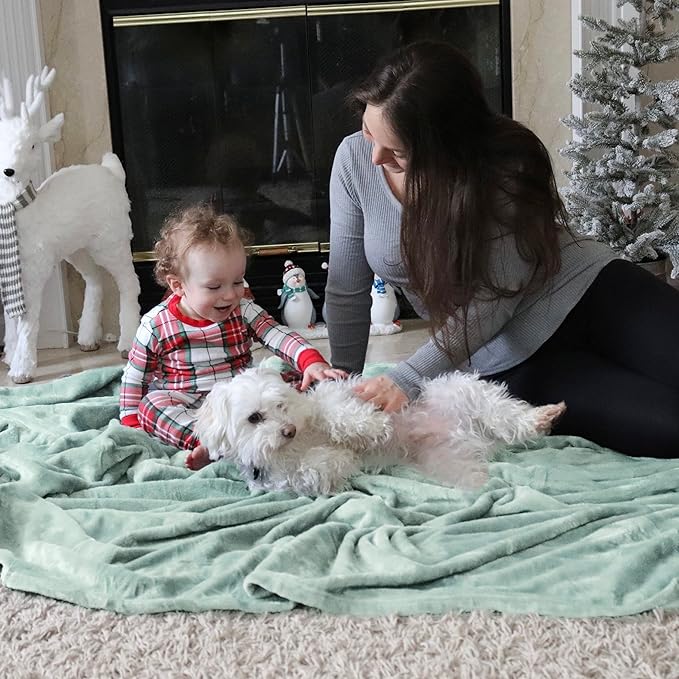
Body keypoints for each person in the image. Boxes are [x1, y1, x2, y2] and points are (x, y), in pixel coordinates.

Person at [324, 40, 679, 459]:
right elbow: (346, 288)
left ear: (446, 146)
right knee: (669, 428)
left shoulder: (505, 160)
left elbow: (494, 299)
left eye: (398, 150)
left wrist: (407, 377)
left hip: (593, 290)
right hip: (510, 356)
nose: (375, 156)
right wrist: (341, 391)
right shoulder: (353, 160)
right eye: (369, 132)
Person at [120, 204, 344, 469]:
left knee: (291, 380)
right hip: (187, 400)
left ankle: (301, 427)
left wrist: (310, 361)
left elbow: (277, 334)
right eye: (214, 286)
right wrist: (131, 424)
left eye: (238, 282)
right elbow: (135, 377)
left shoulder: (243, 310)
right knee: (152, 405)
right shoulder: (156, 325)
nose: (230, 295)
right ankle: (208, 444)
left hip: (242, 399)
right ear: (178, 285)